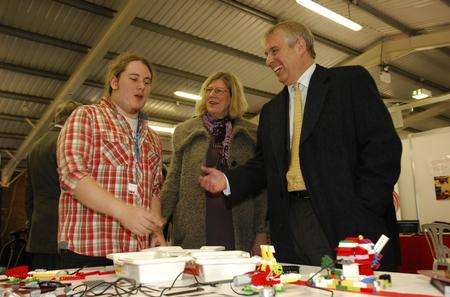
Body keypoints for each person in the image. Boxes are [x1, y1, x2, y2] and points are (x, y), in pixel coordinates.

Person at [199, 21, 402, 270]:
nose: (268, 60)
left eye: (274, 51)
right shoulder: (271, 111)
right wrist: (228, 182)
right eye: (266, 54)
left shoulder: (348, 83)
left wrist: (362, 208)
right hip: (290, 225)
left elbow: (383, 147)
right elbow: (264, 165)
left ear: (300, 46)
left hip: (344, 220)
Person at [57, 53, 165, 268]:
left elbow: (154, 191)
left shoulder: (153, 138)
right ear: (114, 82)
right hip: (89, 249)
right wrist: (123, 211)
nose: (141, 86)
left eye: (146, 82)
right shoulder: (86, 116)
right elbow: (72, 175)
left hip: (137, 254)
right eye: (133, 79)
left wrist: (156, 231)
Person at [161, 72, 267, 254]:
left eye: (219, 91)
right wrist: (157, 223)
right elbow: (172, 184)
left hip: (239, 228)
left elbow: (261, 189)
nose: (211, 95)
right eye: (208, 90)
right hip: (193, 230)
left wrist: (262, 232)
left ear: (232, 97)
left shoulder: (251, 135)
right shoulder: (184, 132)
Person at [26, 100, 80, 270]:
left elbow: (29, 194)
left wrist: (32, 220)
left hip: (38, 232)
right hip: (62, 232)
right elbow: (75, 186)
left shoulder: (34, 147)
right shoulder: (66, 144)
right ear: (73, 120)